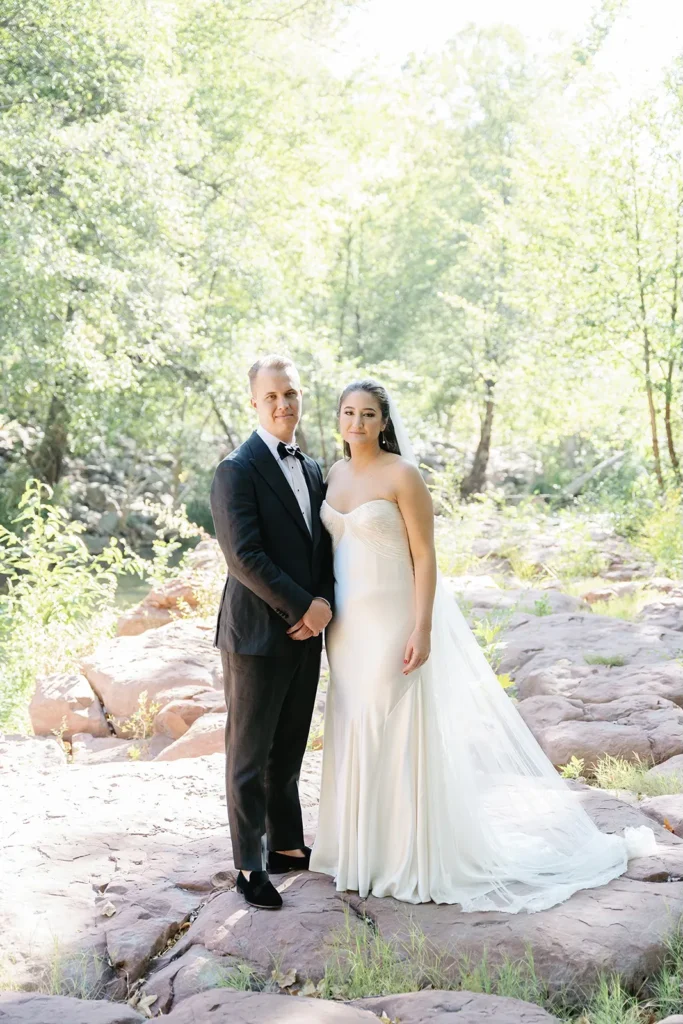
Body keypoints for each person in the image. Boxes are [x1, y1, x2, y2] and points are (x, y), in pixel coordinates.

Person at [309, 379, 655, 911]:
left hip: (393, 620)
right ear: (339, 419)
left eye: (368, 414)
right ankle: (357, 853)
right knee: (355, 721)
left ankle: (404, 856)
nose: (357, 423)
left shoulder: (403, 475)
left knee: (391, 722)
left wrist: (421, 627)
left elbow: (425, 558)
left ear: (384, 422)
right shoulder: (332, 475)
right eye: (349, 413)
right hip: (347, 627)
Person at [210, 355, 334, 910]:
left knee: (288, 749)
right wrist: (302, 607)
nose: (283, 405)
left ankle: (286, 845)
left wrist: (324, 603)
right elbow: (244, 557)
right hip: (258, 635)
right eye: (271, 397)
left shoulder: (311, 468)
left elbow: (322, 546)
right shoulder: (236, 469)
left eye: (291, 394)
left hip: (309, 632)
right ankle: (249, 865)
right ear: (254, 404)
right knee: (248, 755)